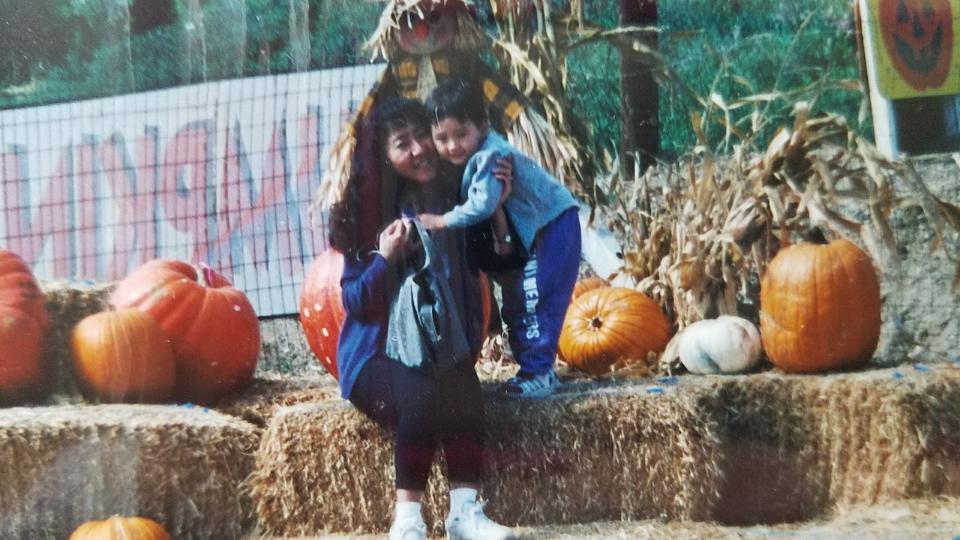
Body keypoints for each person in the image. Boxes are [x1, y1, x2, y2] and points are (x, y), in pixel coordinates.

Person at [328, 97, 516, 540]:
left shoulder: (457, 201)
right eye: (402, 143)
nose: (419, 150)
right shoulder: (367, 218)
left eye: (422, 136)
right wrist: (387, 260)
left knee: (462, 382)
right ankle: (407, 520)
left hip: (441, 352)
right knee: (429, 384)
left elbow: (503, 265)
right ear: (384, 159)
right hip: (373, 363)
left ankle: (464, 514)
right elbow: (356, 304)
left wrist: (498, 208)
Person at [418, 78, 581, 399]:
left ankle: (539, 372)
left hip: (550, 228)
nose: (452, 146)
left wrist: (441, 221)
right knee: (520, 296)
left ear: (482, 126)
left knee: (534, 298)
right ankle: (533, 367)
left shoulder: (489, 156)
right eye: (442, 138)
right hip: (533, 233)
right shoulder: (471, 158)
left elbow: (483, 204)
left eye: (461, 134)